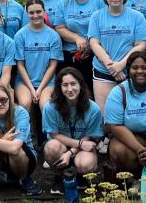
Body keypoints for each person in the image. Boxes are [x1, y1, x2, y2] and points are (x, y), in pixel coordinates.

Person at [89, 0, 146, 113]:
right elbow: (94, 43)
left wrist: (121, 65)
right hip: (103, 71)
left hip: (129, 70)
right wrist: (111, 66)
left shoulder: (137, 17)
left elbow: (141, 44)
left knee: (131, 111)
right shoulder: (96, 17)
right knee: (105, 113)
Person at [42, 67, 103, 196]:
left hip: (83, 146)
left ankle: (81, 177)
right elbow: (54, 135)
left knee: (85, 164)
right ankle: (59, 177)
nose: (69, 89)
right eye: (65, 85)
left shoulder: (94, 108)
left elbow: (91, 136)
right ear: (59, 87)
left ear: (81, 84)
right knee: (51, 147)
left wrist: (71, 152)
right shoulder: (50, 107)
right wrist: (77, 145)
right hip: (61, 144)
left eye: (73, 84)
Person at [13, 0, 63, 129]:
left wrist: (39, 89)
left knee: (46, 106)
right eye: (31, 13)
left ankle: (50, 140)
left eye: (38, 12)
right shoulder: (20, 35)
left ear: (44, 12)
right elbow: (20, 65)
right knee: (24, 104)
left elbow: (53, 65)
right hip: (24, 81)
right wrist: (31, 88)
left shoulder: (53, 35)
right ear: (27, 13)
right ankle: (28, 141)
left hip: (47, 82)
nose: (35, 16)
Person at [56, 0, 104, 90]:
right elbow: (60, 28)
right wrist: (77, 38)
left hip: (96, 52)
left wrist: (92, 43)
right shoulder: (64, 2)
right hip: (72, 52)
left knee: (91, 88)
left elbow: (106, 24)